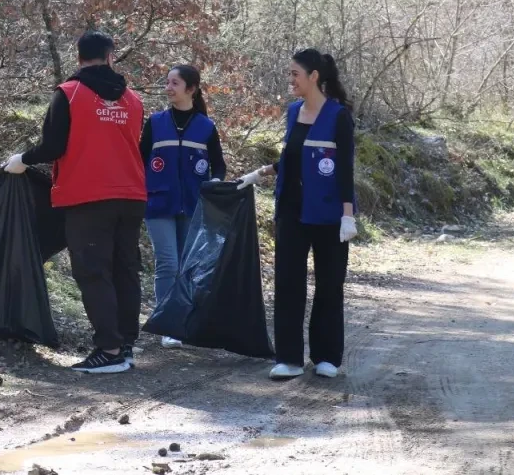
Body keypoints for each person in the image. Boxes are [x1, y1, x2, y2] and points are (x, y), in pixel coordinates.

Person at [1, 31, 146, 374]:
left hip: (89, 195)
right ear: (111, 56)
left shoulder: (69, 93)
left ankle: (108, 351)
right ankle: (124, 345)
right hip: (132, 195)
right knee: (124, 270)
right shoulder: (134, 100)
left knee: (94, 271)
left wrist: (22, 158)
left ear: (78, 57)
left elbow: (52, 147)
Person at [240, 49, 357, 380]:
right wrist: (261, 173)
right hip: (291, 211)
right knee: (288, 284)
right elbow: (293, 158)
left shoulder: (338, 116)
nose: (289, 79)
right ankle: (289, 358)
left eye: (295, 74)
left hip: (330, 214)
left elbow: (345, 169)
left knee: (329, 285)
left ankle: (327, 356)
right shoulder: (293, 113)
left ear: (314, 76)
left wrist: (348, 215)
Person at [139, 64, 226, 349]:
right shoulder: (155, 122)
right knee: (168, 262)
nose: (168, 88)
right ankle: (168, 323)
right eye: (167, 82)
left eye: (174, 83)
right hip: (158, 203)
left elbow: (219, 167)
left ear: (191, 89)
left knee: (187, 266)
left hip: (192, 206)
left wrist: (212, 183)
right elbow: (139, 162)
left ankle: (185, 319)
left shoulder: (206, 127)